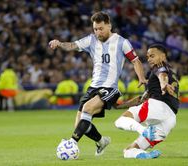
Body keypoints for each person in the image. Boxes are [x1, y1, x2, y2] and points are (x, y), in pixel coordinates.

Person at [49, 11, 147, 156]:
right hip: (93, 86)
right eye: (95, 29)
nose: (98, 32)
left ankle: (71, 144)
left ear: (109, 26)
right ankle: (101, 141)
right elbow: (72, 46)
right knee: (80, 125)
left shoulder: (122, 42)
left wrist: (141, 77)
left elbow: (135, 60)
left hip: (110, 87)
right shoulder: (91, 40)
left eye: (101, 28)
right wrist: (59, 43)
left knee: (87, 109)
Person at [114, 44, 179, 159]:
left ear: (163, 56)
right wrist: (120, 106)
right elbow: (142, 99)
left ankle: (143, 130)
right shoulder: (170, 72)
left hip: (157, 106)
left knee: (120, 122)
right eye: (148, 57)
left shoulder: (160, 66)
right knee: (128, 151)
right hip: (170, 120)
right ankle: (144, 155)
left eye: (152, 56)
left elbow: (162, 75)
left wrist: (163, 84)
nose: (149, 59)